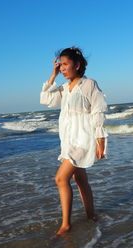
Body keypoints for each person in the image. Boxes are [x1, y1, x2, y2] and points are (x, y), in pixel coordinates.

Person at [40, 46, 108, 235]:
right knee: (80, 179)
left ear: (77, 65)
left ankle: (66, 224)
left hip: (83, 139)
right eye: (59, 65)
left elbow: (98, 111)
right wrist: (52, 76)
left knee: (61, 178)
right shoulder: (64, 88)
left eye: (65, 64)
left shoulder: (89, 84)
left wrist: (100, 140)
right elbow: (45, 99)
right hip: (68, 140)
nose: (61, 68)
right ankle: (91, 214)